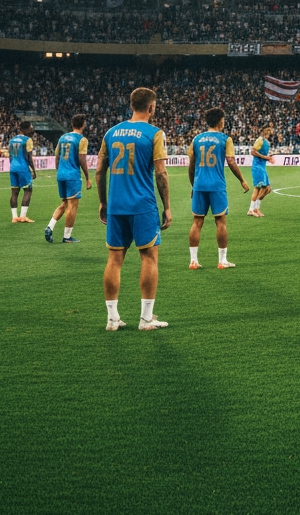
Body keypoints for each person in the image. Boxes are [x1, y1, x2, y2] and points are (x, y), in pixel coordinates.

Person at [96, 86, 171, 331]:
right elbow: (161, 173)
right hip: (142, 205)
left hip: (117, 205)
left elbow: (99, 171)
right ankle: (146, 319)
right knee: (149, 257)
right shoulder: (155, 133)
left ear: (131, 105)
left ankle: (112, 319)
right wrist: (167, 207)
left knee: (114, 259)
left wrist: (103, 202)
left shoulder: (111, 132)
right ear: (151, 107)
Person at [187, 107, 249, 270]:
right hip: (217, 185)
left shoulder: (196, 139)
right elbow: (231, 161)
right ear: (221, 121)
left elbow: (191, 165)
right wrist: (242, 180)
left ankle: (193, 261)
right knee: (220, 221)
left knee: (197, 222)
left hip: (200, 185)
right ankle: (222, 261)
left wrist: (193, 185)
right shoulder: (225, 139)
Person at [44, 114, 91, 243]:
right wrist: (87, 178)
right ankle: (67, 237)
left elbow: (57, 155)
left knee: (64, 203)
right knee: (72, 206)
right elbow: (82, 159)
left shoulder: (62, 137)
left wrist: (58, 170)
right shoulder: (82, 139)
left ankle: (50, 226)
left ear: (72, 124)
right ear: (83, 124)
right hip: (73, 176)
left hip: (62, 174)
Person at [9, 120, 37, 223]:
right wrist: (33, 171)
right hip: (23, 167)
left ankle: (14, 217)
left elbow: (10, 156)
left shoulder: (12, 140)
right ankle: (23, 216)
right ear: (26, 128)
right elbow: (29, 157)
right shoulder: (27, 140)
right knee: (28, 190)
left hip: (13, 167)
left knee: (14, 192)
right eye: (30, 127)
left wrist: (12, 166)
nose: (31, 129)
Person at [248, 123, 275, 217]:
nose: (272, 134)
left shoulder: (266, 142)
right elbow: (252, 151)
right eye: (270, 132)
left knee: (268, 189)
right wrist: (266, 157)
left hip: (262, 167)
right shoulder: (260, 139)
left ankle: (255, 208)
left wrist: (268, 158)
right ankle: (252, 209)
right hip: (257, 167)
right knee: (259, 188)